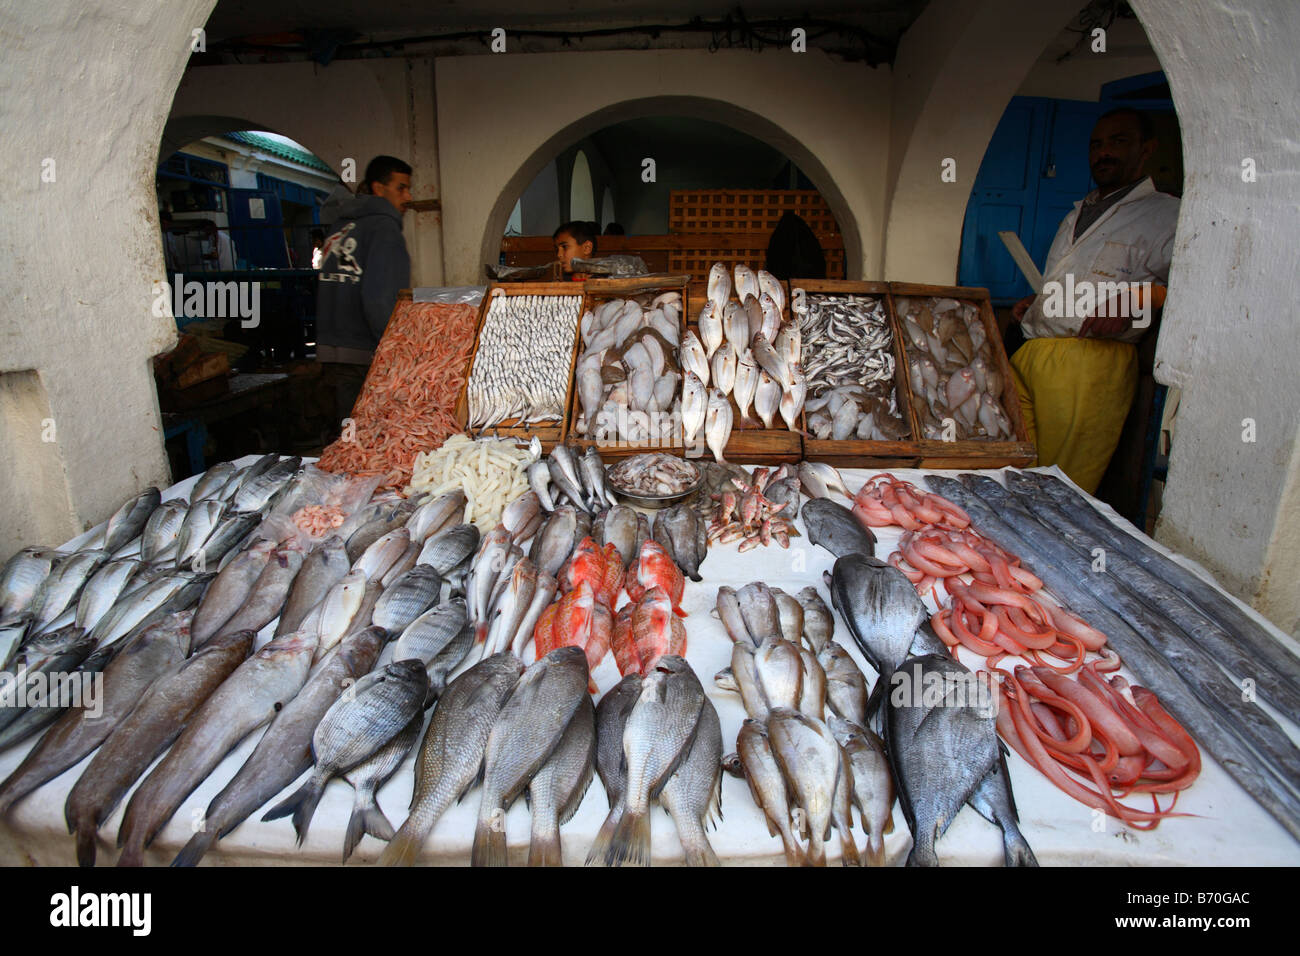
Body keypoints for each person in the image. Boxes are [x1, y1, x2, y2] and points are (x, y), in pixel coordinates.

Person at [1007, 108, 1178, 494]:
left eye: (1118, 142)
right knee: (1016, 471)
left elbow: (1195, 285)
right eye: (1097, 145)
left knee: (1058, 485)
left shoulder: (1165, 214)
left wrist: (1141, 297)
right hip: (1033, 351)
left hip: (1091, 361)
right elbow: (1081, 276)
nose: (1104, 153)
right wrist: (1043, 298)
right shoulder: (1077, 213)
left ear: (1146, 149)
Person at [315, 155, 412, 431]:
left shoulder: (341, 226)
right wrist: (396, 352)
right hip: (363, 353)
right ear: (378, 188)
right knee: (370, 440)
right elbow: (380, 298)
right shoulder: (385, 229)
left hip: (333, 351)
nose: (408, 196)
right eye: (401, 188)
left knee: (346, 436)